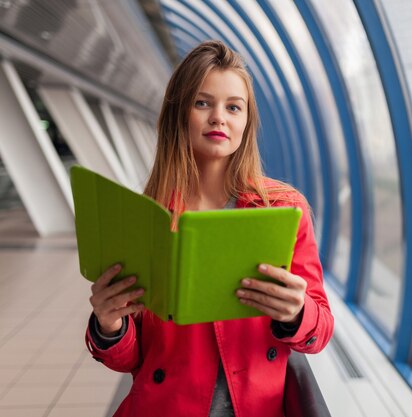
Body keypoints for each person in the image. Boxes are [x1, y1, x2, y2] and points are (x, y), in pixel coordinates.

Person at [85, 40, 334, 417]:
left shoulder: (283, 209)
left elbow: (321, 331)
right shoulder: (146, 217)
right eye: (203, 103)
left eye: (234, 107)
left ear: (246, 121)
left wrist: (298, 313)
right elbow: (131, 360)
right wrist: (109, 324)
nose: (219, 117)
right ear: (179, 112)